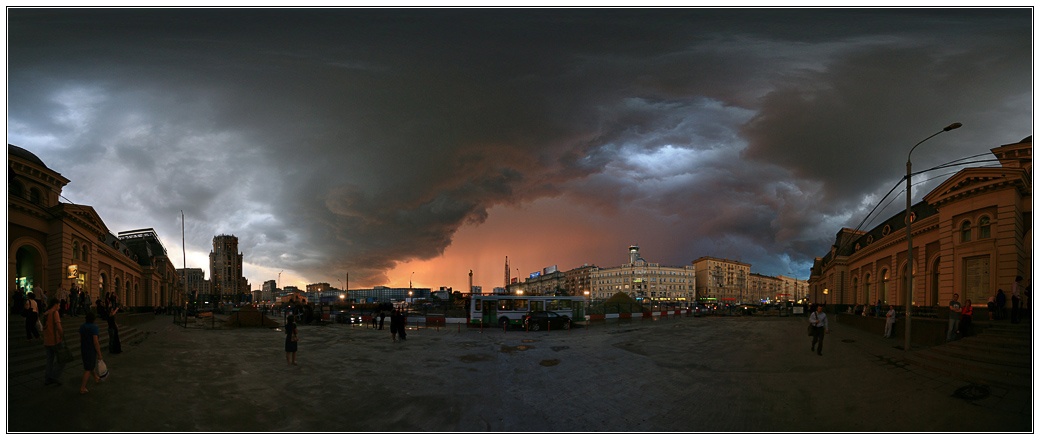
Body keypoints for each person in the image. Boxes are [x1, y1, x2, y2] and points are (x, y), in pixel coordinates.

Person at [42, 298, 65, 386]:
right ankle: (54, 377)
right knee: (62, 360)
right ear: (55, 304)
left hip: (47, 341)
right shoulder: (55, 312)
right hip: (55, 341)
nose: (59, 306)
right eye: (59, 305)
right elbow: (59, 327)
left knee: (49, 361)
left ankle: (47, 379)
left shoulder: (45, 313)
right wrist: (62, 336)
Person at [78, 311, 103, 394]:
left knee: (89, 365)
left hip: (84, 348)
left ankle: (96, 377)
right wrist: (99, 354)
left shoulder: (82, 327)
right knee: (88, 369)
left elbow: (81, 338)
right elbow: (95, 341)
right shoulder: (94, 327)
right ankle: (83, 387)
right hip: (91, 349)